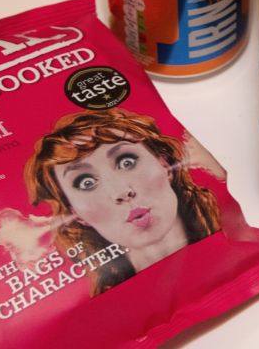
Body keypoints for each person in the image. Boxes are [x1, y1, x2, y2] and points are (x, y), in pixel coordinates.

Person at [25, 108, 221, 295]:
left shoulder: (233, 233)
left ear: (165, 164)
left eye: (127, 162)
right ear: (76, 213)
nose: (121, 192)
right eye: (86, 183)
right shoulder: (105, 313)